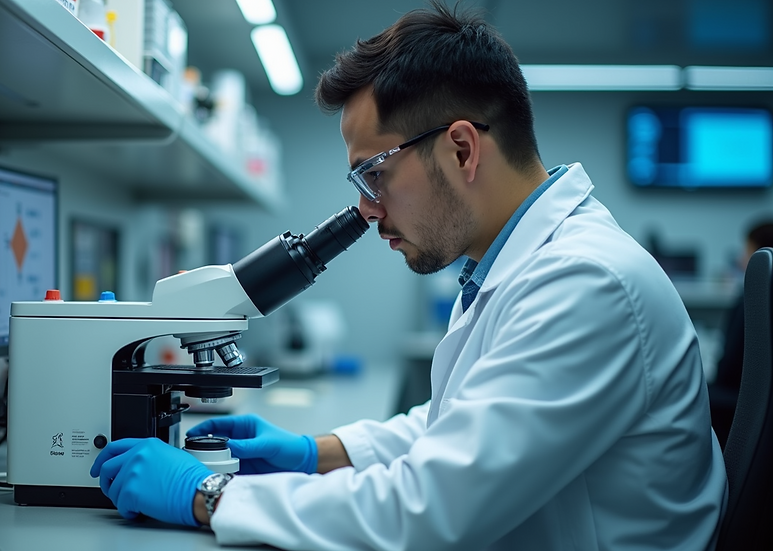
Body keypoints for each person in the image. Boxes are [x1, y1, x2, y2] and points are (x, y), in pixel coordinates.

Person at [88, 3, 727, 549]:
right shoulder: (518, 263)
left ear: (461, 148)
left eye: (374, 174)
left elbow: (428, 510)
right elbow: (462, 426)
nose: (366, 209)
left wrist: (207, 494)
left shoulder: (585, 284)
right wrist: (318, 452)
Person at [709, 220, 773, 448]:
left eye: (745, 250)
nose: (740, 259)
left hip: (735, 401)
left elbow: (725, 371)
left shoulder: (749, 299)